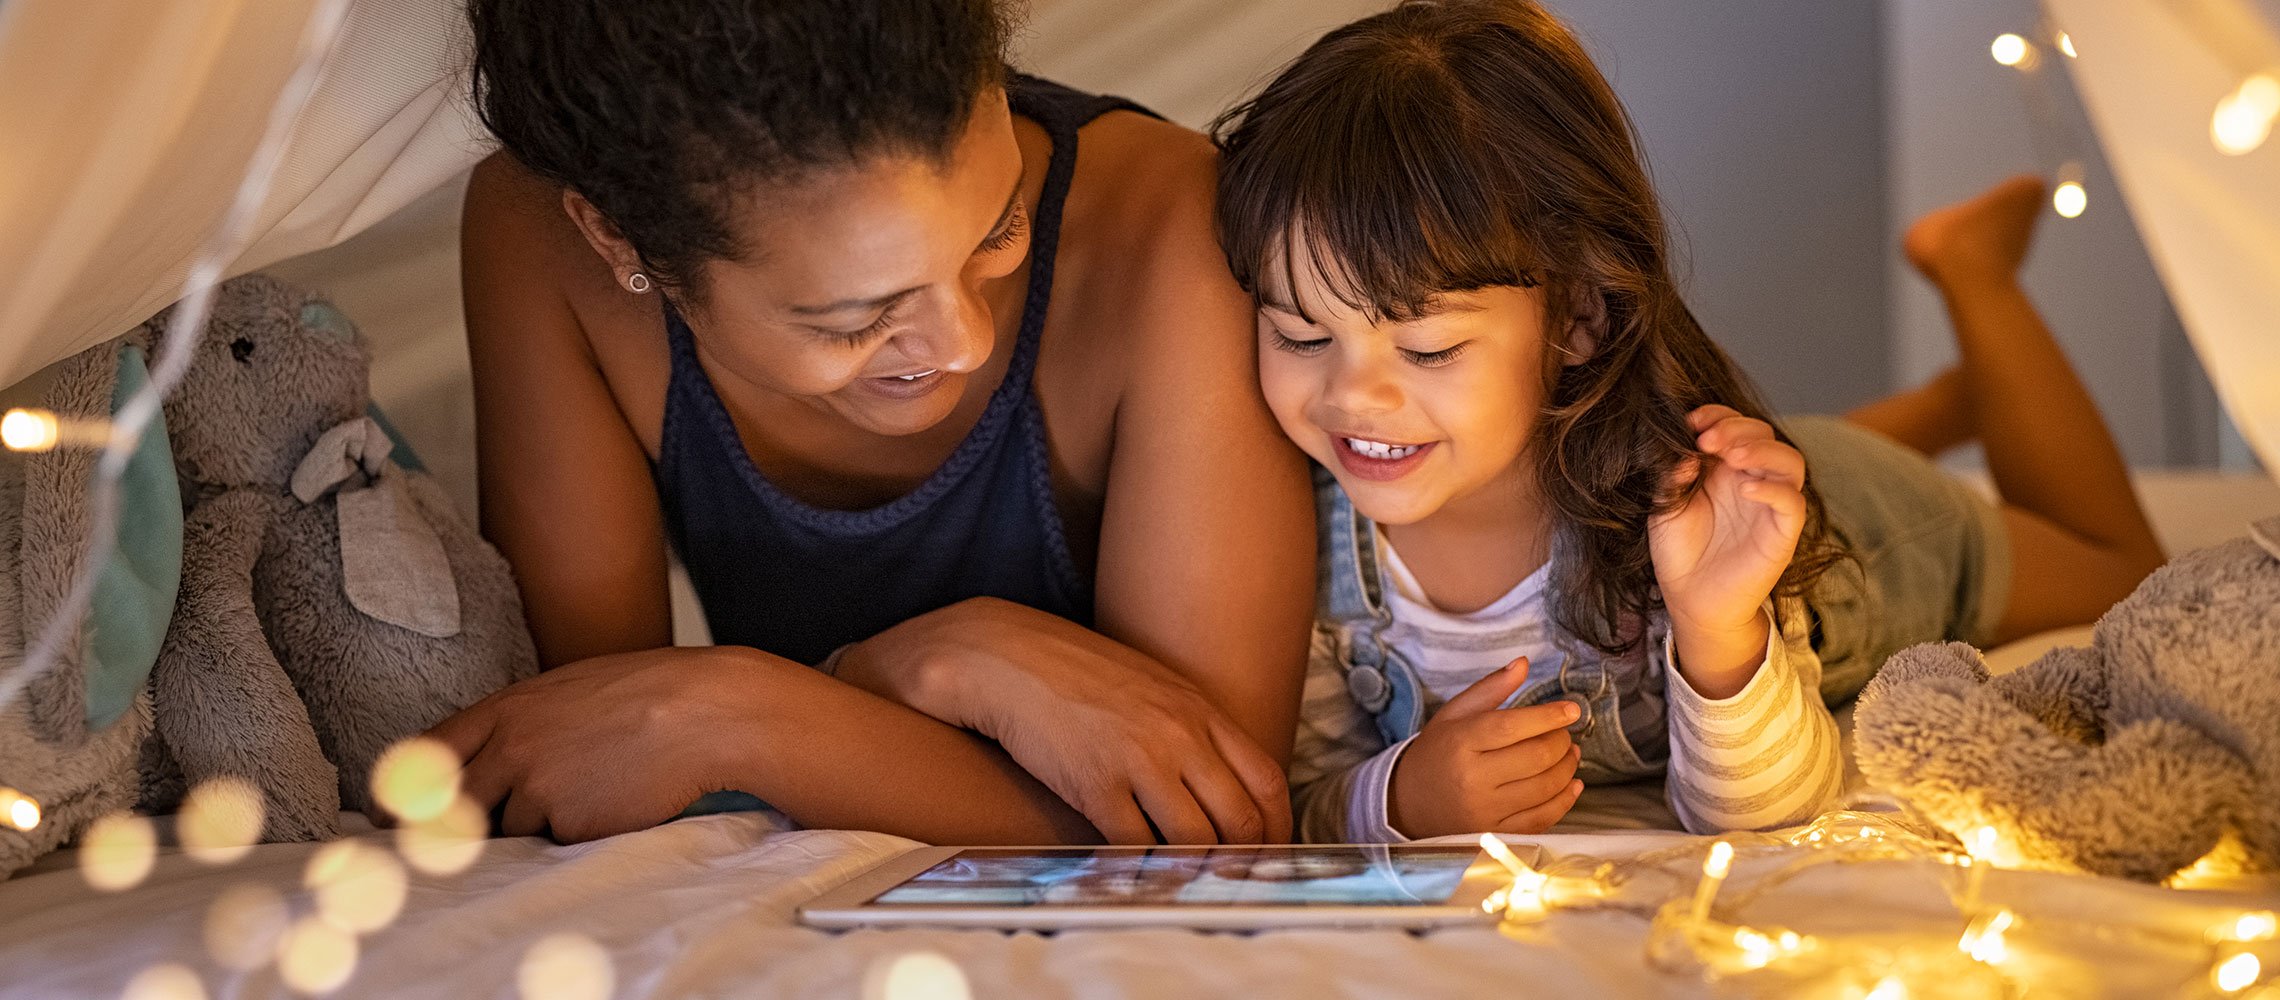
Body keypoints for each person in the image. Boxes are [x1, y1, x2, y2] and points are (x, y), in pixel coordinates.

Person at [1207, 0, 2165, 841]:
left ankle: (1974, 273)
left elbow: (1766, 809)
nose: (1352, 397)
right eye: (1299, 335)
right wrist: (1400, 799)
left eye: (1427, 352)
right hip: (1744, 460)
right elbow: (1299, 793)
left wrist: (1716, 627)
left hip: (1861, 528)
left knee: (2121, 570)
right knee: (1782, 449)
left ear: (1578, 315)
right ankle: (1946, 406)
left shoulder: (1683, 525)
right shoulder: (1305, 546)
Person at [431, 0, 1315, 845]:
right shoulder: (536, 233)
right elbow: (587, 745)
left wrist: (748, 711)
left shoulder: (1170, 227)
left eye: (998, 230)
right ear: (617, 241)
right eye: (854, 318)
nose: (962, 341)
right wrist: (904, 670)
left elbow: (1211, 814)